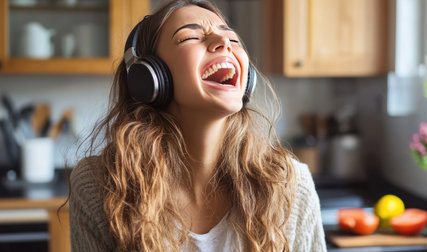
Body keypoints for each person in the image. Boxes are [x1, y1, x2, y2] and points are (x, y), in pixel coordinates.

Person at [69, 0, 326, 251]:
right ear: (150, 76)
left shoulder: (291, 185)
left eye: (233, 39)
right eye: (190, 37)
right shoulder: (99, 186)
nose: (224, 42)